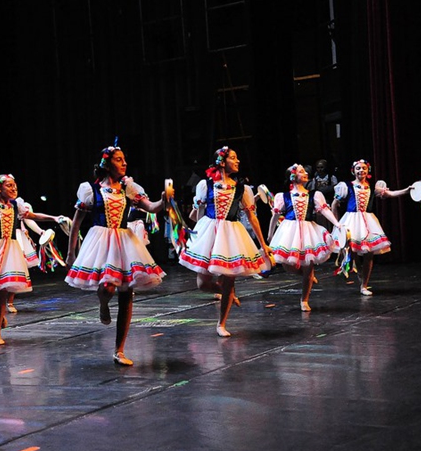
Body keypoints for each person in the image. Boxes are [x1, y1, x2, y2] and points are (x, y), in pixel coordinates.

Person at [65, 144, 168, 366]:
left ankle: (119, 350)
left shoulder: (128, 188)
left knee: (126, 294)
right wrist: (71, 252)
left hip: (124, 241)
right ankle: (103, 303)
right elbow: (76, 223)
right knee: (108, 287)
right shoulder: (90, 190)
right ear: (107, 163)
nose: (124, 163)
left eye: (124, 159)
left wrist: (164, 200)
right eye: (119, 159)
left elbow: (150, 207)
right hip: (100, 241)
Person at [179, 145, 273, 337]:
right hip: (210, 230)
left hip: (231, 233)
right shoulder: (205, 185)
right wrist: (197, 208)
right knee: (202, 284)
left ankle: (221, 323)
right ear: (221, 162)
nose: (237, 161)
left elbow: (252, 217)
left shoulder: (242, 188)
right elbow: (195, 215)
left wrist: (263, 244)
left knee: (229, 279)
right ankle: (225, 293)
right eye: (233, 157)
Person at [0, 174, 62, 345]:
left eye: (15, 185)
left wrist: (53, 218)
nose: (14, 188)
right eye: (9, 185)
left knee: (2, 291)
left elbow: (32, 215)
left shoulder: (16, 205)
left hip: (10, 250)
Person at [267, 164, 344, 311]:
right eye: (301, 171)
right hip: (289, 231)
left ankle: (304, 299)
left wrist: (337, 224)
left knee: (308, 265)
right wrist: (270, 235)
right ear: (292, 177)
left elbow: (325, 210)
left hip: (309, 230)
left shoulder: (314, 195)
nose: (305, 173)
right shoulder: (283, 196)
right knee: (287, 265)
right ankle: (307, 276)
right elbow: (275, 216)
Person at [331, 159, 412, 296]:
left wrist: (407, 190)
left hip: (368, 222)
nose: (361, 170)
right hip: (351, 221)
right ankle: (360, 278)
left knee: (369, 254)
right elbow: (334, 204)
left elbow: (390, 194)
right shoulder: (346, 186)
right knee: (354, 252)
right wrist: (336, 224)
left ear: (368, 171)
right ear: (353, 171)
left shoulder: (373, 187)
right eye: (358, 168)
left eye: (363, 168)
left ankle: (364, 285)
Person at [306, 159, 340, 229]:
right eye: (318, 168)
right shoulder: (314, 179)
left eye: (322, 167)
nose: (320, 170)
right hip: (319, 202)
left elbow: (336, 189)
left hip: (329, 200)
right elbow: (312, 190)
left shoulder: (331, 177)